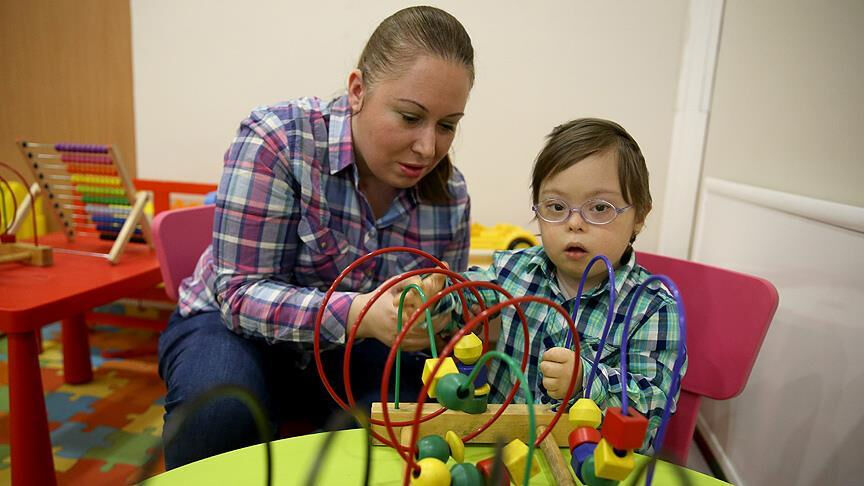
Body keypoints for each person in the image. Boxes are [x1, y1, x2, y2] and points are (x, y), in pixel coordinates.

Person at [157, 6, 475, 469]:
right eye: (410, 117)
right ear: (358, 91)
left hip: (356, 349)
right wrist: (361, 313)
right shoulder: (278, 140)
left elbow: (444, 321)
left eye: (447, 125)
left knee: (408, 423)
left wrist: (435, 315)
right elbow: (239, 295)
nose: (428, 148)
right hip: (228, 327)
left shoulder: (450, 194)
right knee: (218, 414)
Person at [412, 118, 686, 450]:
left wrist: (585, 380)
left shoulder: (653, 308)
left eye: (600, 208)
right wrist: (436, 296)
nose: (574, 223)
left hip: (586, 460)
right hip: (499, 447)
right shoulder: (515, 270)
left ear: (639, 216)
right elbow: (466, 302)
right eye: (556, 207)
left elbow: (651, 411)